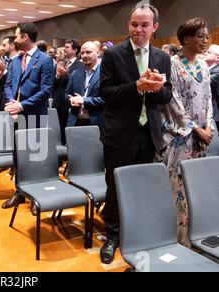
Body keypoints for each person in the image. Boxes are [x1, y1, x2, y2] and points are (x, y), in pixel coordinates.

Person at [99, 3, 172, 264]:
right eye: (133, 24)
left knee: (141, 186)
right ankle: (112, 236)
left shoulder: (163, 58)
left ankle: (137, 233)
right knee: (115, 188)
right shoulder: (113, 55)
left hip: (148, 133)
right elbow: (105, 93)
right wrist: (137, 87)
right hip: (119, 133)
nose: (137, 29)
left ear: (155, 27)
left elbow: (167, 95)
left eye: (144, 25)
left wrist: (155, 88)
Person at [159, 18, 214, 247]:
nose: (205, 40)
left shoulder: (203, 64)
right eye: (200, 36)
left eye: (207, 35)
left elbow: (209, 99)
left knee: (197, 189)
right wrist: (196, 129)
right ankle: (179, 242)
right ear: (185, 39)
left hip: (201, 139)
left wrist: (209, 125)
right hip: (180, 139)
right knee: (178, 191)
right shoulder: (172, 64)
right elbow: (173, 102)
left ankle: (197, 237)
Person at [1, 22, 54, 210]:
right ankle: (19, 192)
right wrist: (12, 103)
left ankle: (36, 196)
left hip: (34, 115)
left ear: (25, 37)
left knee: (34, 156)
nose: (14, 40)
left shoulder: (45, 60)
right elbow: (8, 85)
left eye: (16, 36)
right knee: (17, 156)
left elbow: (46, 91)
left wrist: (21, 105)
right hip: (16, 116)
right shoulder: (15, 60)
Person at [66, 41, 104, 128]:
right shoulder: (75, 74)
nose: (84, 55)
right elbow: (66, 94)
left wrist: (84, 100)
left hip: (96, 123)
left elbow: (106, 99)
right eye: (82, 53)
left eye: (88, 52)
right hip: (75, 122)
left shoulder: (104, 74)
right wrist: (71, 99)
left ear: (97, 53)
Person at [202, 44, 219, 128]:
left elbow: (203, 82)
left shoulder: (218, 70)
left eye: (209, 52)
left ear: (217, 58)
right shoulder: (206, 68)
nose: (205, 53)